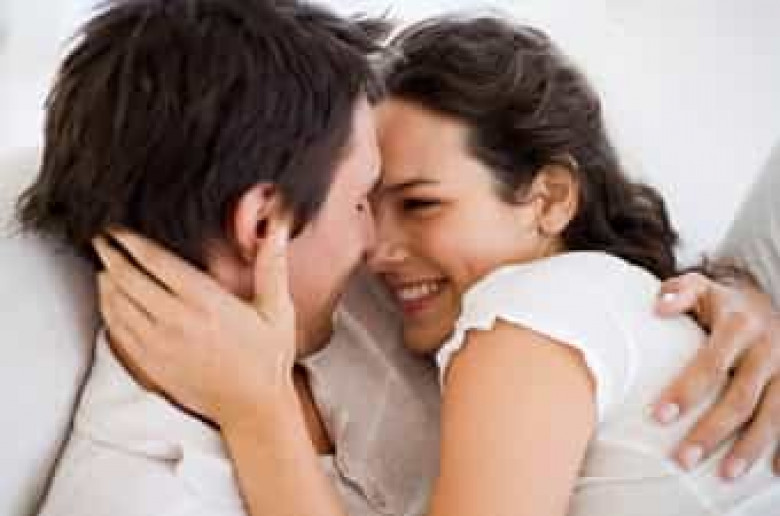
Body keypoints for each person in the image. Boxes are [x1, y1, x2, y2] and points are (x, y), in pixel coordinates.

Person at [20, 2, 778, 516]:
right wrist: (259, 415)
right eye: (363, 200)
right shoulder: (143, 495)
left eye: (412, 202)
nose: (377, 250)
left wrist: (739, 293)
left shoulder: (427, 303)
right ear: (263, 224)